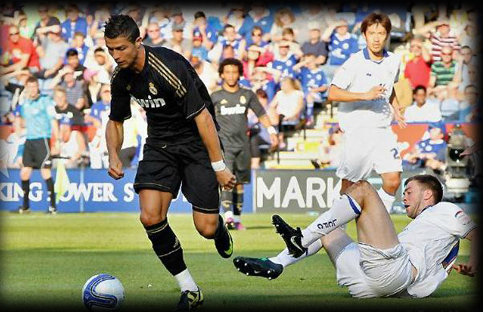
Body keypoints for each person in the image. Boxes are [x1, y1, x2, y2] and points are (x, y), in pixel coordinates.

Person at [103, 15, 235, 310]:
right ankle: (190, 289)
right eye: (111, 50)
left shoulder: (169, 67)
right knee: (150, 217)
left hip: (196, 143)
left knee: (206, 228)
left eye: (121, 48)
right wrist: (113, 154)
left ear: (139, 41)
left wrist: (218, 167)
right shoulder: (120, 76)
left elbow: (203, 118)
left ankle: (218, 229)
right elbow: (115, 120)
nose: (116, 55)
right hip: (159, 144)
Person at [233, 174, 478, 299]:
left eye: (409, 191)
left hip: (393, 273)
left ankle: (300, 239)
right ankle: (278, 262)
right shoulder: (428, 227)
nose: (404, 197)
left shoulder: (443, 209)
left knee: (363, 189)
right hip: (372, 282)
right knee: (329, 231)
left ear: (427, 196)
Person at [326, 12, 406, 213]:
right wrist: (364, 95)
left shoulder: (394, 61)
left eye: (381, 33)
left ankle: (378, 219)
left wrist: (395, 108)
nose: (376, 38)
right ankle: (334, 226)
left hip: (383, 129)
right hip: (358, 131)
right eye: (372, 33)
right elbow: (332, 93)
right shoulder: (355, 62)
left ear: (387, 35)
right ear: (364, 35)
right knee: (349, 185)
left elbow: (390, 87)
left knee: (393, 179)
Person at [211, 58, 278, 230]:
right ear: (221, 74)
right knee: (227, 181)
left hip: (243, 146)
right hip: (224, 146)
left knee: (239, 183)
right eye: (227, 72)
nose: (231, 75)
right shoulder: (215, 97)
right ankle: (228, 218)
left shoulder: (247, 94)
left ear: (240, 74)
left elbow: (261, 113)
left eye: (234, 72)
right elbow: (206, 119)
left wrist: (271, 131)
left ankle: (238, 219)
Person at [13, 76, 59, 214]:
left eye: (35, 87)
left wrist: (57, 141)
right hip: (29, 140)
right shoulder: (25, 103)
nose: (33, 90)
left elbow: (54, 122)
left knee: (45, 172)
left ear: (38, 87)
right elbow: (19, 119)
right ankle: (25, 206)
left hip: (42, 140)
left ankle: (52, 206)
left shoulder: (46, 101)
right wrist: (18, 127)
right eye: (30, 87)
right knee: (24, 173)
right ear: (26, 88)